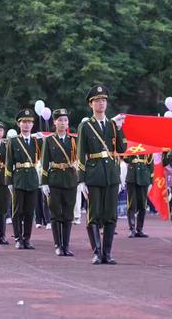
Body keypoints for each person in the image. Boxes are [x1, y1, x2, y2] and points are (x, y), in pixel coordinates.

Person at [77, 85, 127, 265]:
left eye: (104, 100)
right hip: (94, 174)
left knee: (110, 215)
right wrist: (81, 180)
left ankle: (107, 253)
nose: (101, 103)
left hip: (111, 175)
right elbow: (81, 153)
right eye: (97, 101)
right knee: (94, 215)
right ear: (91, 104)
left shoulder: (113, 125)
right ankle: (97, 252)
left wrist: (121, 129)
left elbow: (122, 149)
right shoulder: (86, 126)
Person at [41, 108, 78, 256]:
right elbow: (44, 162)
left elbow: (78, 161)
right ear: (55, 122)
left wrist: (80, 180)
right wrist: (44, 182)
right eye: (60, 120)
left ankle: (66, 245)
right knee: (56, 214)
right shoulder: (49, 140)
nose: (63, 123)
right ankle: (58, 245)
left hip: (70, 179)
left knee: (68, 214)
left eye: (65, 120)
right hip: (54, 179)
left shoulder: (73, 140)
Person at [5, 109, 43, 250]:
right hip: (19, 178)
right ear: (19, 124)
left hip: (32, 177)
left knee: (29, 211)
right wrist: (9, 181)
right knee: (18, 210)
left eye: (29, 122)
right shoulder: (13, 141)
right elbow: (9, 162)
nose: (27, 125)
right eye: (24, 122)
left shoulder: (36, 141)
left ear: (33, 125)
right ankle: (18, 238)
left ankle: (27, 238)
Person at [123, 151, 154, 238]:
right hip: (132, 176)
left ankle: (139, 229)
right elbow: (126, 159)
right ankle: (132, 229)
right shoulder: (131, 145)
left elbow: (150, 163)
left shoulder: (147, 145)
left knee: (142, 205)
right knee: (131, 204)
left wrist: (151, 181)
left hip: (144, 176)